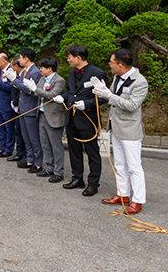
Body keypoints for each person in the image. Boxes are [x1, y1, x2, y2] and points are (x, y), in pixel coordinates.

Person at [92, 49, 148, 214]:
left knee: (134, 166)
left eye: (111, 63)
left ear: (120, 65)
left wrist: (109, 95)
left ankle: (137, 200)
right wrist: (102, 91)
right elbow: (114, 98)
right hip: (115, 126)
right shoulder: (117, 77)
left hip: (130, 129)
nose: (109, 66)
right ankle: (122, 194)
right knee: (119, 164)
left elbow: (132, 106)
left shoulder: (140, 81)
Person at [53, 44, 109, 197]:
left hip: (88, 118)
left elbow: (104, 96)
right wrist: (62, 97)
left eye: (69, 56)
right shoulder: (72, 72)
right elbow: (71, 92)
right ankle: (77, 178)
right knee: (74, 151)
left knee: (92, 153)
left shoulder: (98, 73)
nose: (67, 59)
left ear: (78, 57)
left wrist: (88, 104)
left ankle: (93, 183)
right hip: (71, 117)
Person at [23, 57, 66, 183]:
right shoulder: (42, 79)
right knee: (45, 144)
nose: (40, 70)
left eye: (42, 67)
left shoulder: (59, 80)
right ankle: (49, 167)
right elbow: (37, 93)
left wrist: (35, 90)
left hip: (53, 116)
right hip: (41, 114)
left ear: (49, 68)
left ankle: (59, 172)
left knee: (56, 146)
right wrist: (31, 89)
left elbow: (51, 95)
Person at [5, 48, 42, 173]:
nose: (19, 59)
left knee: (33, 138)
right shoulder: (26, 71)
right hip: (22, 108)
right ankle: (30, 160)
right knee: (25, 137)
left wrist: (14, 81)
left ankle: (38, 163)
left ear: (26, 59)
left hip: (31, 109)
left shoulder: (35, 72)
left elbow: (30, 90)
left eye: (20, 57)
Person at [7, 56, 27, 164]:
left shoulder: (24, 75)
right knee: (18, 131)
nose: (10, 68)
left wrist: (16, 102)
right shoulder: (17, 75)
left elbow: (22, 90)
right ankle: (19, 153)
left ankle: (26, 155)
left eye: (11, 66)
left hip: (23, 106)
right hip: (16, 106)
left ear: (16, 66)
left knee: (25, 133)